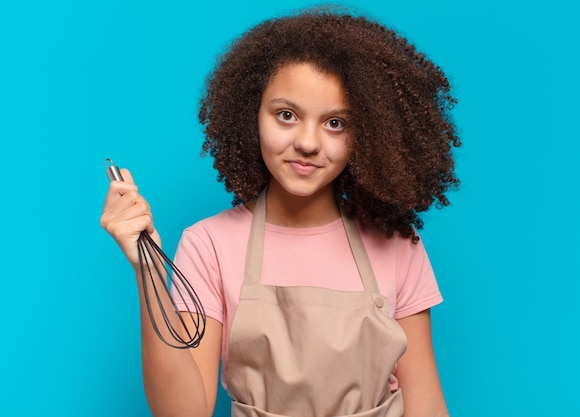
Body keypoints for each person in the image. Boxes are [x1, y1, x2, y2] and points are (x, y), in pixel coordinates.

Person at [101, 7, 460, 417]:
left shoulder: (397, 246)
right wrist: (146, 265)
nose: (308, 142)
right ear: (251, 114)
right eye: (286, 115)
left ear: (370, 132)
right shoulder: (210, 244)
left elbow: (426, 405)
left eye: (336, 123)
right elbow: (184, 412)